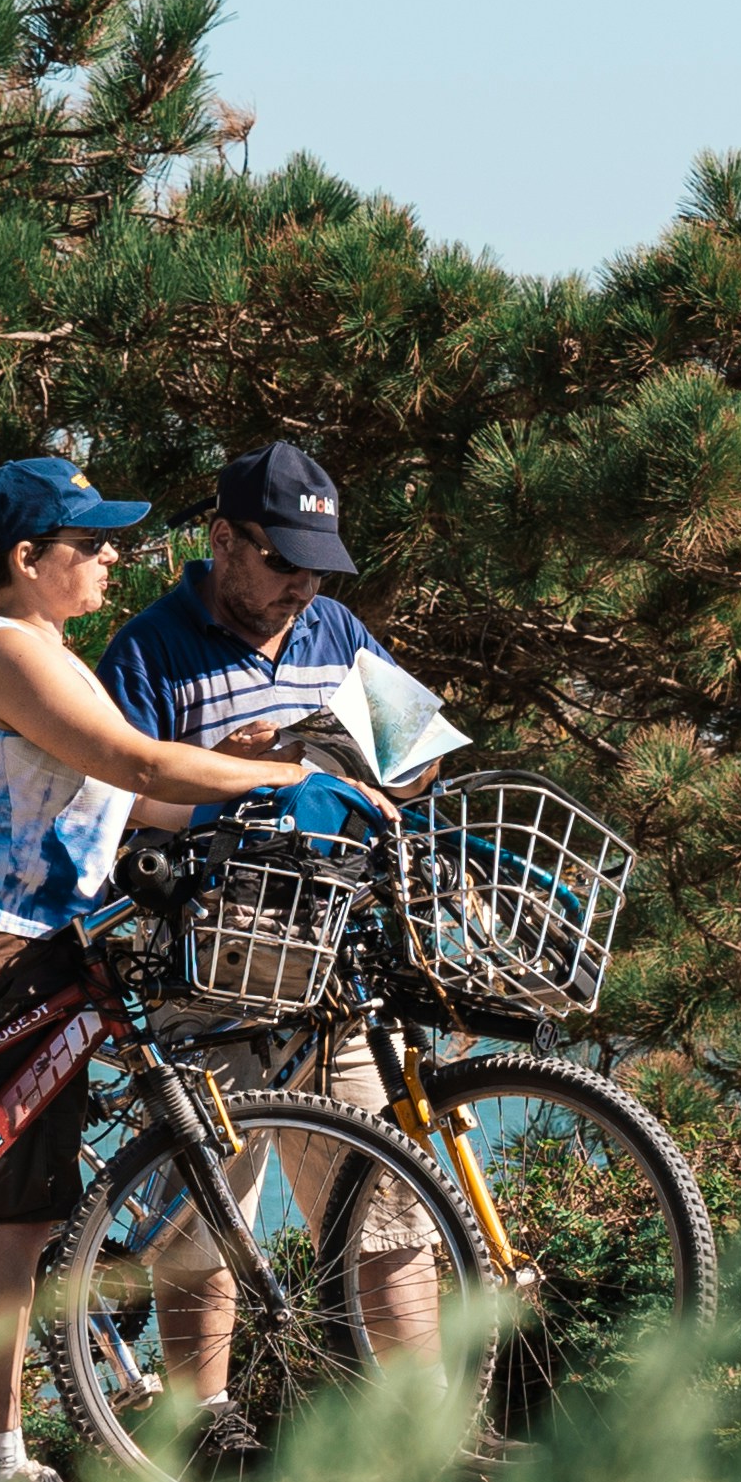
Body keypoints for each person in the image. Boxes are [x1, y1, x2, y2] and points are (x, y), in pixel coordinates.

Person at [0, 453, 311, 1482]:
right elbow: (144, 765)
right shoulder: (10, 653)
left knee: (18, 1213)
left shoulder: (53, 656)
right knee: (8, 1220)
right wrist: (285, 780)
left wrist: (240, 778)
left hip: (37, 947)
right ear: (29, 561)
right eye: (90, 544)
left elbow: (144, 798)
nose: (113, 558)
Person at [96, 437, 450, 1376]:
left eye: (320, 567)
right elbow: (115, 803)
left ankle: (428, 1433)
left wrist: (332, 754)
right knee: (199, 1222)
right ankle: (199, 1429)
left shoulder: (338, 632)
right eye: (285, 560)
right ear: (223, 540)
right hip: (201, 966)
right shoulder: (147, 648)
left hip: (326, 965)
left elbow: (422, 760)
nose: (305, 586)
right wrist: (235, 774)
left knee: (387, 1210)